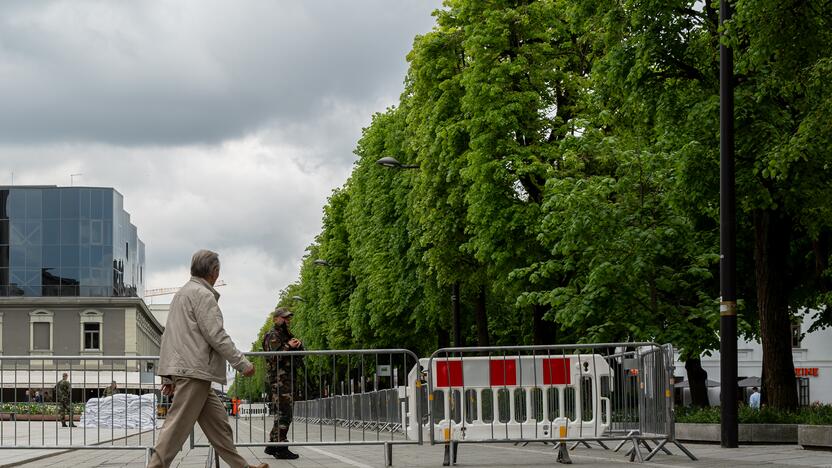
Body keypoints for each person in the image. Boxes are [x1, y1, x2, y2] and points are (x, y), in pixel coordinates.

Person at [148, 249, 268, 468]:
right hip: (194, 371)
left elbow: (168, 336)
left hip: (190, 370)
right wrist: (242, 363)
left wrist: (167, 374)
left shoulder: (181, 294)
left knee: (220, 426)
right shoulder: (203, 295)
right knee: (176, 428)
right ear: (214, 271)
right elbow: (216, 335)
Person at [262, 307, 303, 460]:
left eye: (288, 318)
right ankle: (280, 447)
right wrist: (289, 346)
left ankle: (273, 445)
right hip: (279, 380)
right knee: (284, 413)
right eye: (284, 318)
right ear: (276, 319)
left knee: (283, 412)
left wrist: (299, 346)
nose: (287, 321)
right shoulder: (272, 335)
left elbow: (295, 355)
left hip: (286, 378)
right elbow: (273, 357)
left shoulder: (285, 335)